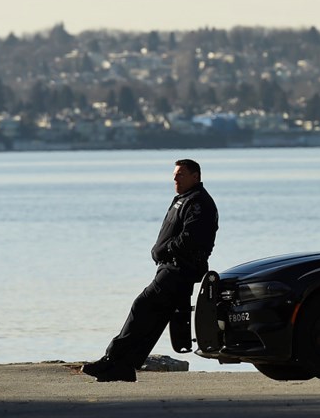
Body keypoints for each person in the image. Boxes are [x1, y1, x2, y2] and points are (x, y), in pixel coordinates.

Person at [81, 158, 218, 382]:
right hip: (170, 267)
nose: (175, 178)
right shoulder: (184, 199)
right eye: (174, 174)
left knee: (142, 306)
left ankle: (111, 359)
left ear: (195, 177)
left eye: (180, 174)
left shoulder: (199, 203)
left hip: (179, 269)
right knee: (153, 320)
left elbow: (191, 239)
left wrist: (163, 250)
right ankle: (123, 367)